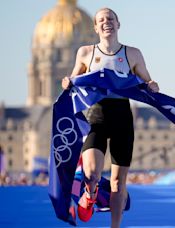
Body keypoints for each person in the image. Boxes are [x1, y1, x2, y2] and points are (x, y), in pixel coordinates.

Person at [61, 8, 159, 228]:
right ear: (96, 27)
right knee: (92, 173)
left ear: (118, 24)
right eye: (102, 20)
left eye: (111, 19)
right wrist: (66, 82)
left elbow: (148, 82)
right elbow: (72, 79)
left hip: (122, 118)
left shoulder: (132, 53)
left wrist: (153, 85)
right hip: (95, 116)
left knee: (118, 183)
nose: (107, 22)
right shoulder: (86, 52)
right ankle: (91, 192)